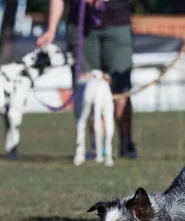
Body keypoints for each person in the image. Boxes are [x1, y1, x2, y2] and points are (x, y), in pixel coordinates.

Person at [37, 0, 137, 158]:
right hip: (80, 27)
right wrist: (51, 29)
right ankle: (98, 144)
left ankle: (126, 141)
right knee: (87, 90)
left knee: (121, 91)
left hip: (116, 24)